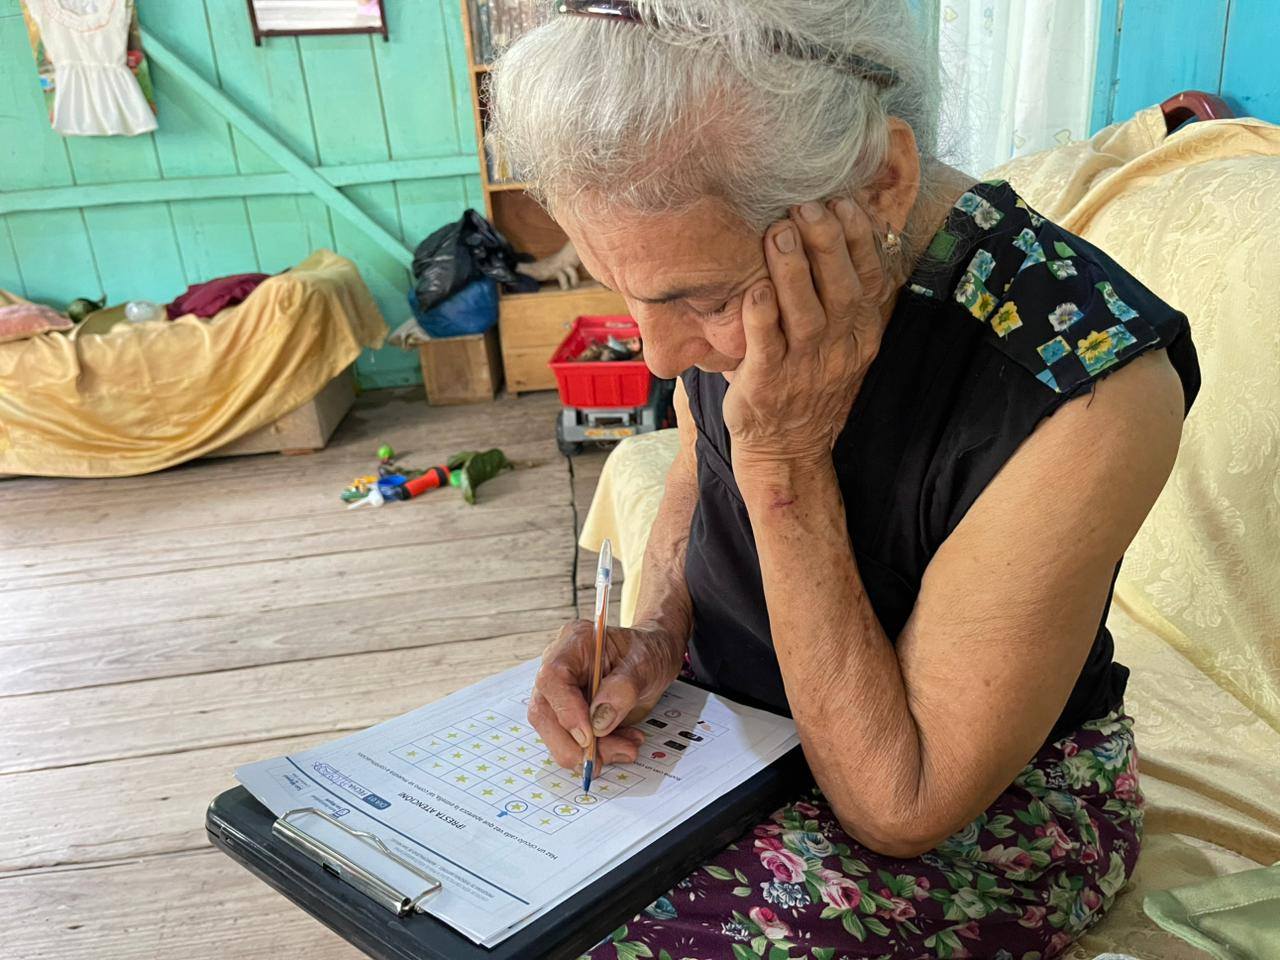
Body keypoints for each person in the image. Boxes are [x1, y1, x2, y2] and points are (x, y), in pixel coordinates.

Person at [488, 2, 1199, 957]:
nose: (657, 357)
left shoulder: (1091, 388)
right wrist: (657, 631)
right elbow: (701, 458)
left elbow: (904, 804)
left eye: (701, 299)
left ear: (883, 183)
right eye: (626, 294)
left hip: (977, 815)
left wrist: (785, 466)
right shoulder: (738, 242)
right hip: (735, 738)